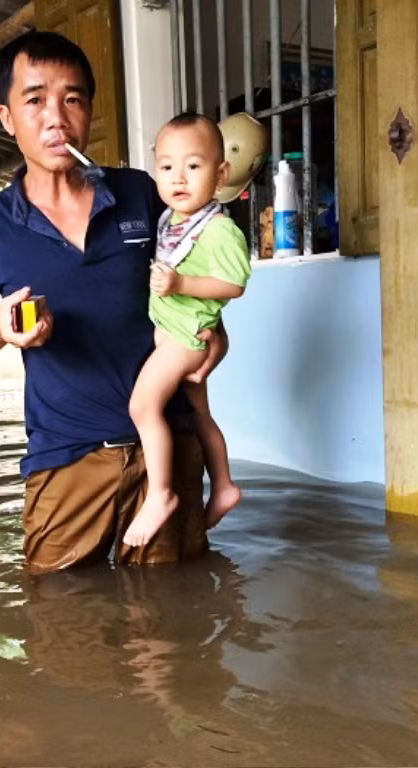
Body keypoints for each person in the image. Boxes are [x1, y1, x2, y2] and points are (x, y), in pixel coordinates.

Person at [0, 31, 227, 572]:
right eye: (35, 101)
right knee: (61, 625)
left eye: (72, 99)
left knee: (172, 625)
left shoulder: (143, 194)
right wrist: (0, 329)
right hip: (65, 459)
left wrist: (217, 335)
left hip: (165, 446)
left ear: (89, 111)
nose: (56, 117)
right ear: (7, 118)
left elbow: (196, 285)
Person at [122, 113, 252, 548]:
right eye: (166, 167)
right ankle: (225, 486)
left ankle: (160, 494)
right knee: (200, 416)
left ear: (221, 174)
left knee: (143, 408)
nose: (178, 177)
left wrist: (181, 284)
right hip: (174, 332)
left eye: (193, 167)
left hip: (186, 338)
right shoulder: (171, 220)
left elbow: (234, 284)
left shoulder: (218, 228)